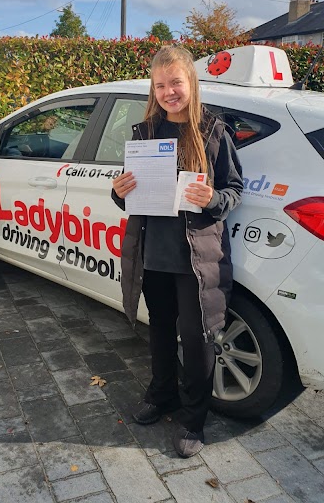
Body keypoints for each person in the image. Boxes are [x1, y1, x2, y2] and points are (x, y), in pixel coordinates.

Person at [112, 46, 243, 458]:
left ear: (191, 83)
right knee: (161, 331)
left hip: (195, 259)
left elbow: (234, 191)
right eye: (161, 85)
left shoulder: (214, 131)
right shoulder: (145, 133)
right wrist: (118, 193)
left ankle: (193, 419)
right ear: (153, 88)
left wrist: (212, 198)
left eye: (176, 83)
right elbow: (130, 198)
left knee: (199, 338)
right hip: (153, 254)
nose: (170, 91)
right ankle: (162, 393)